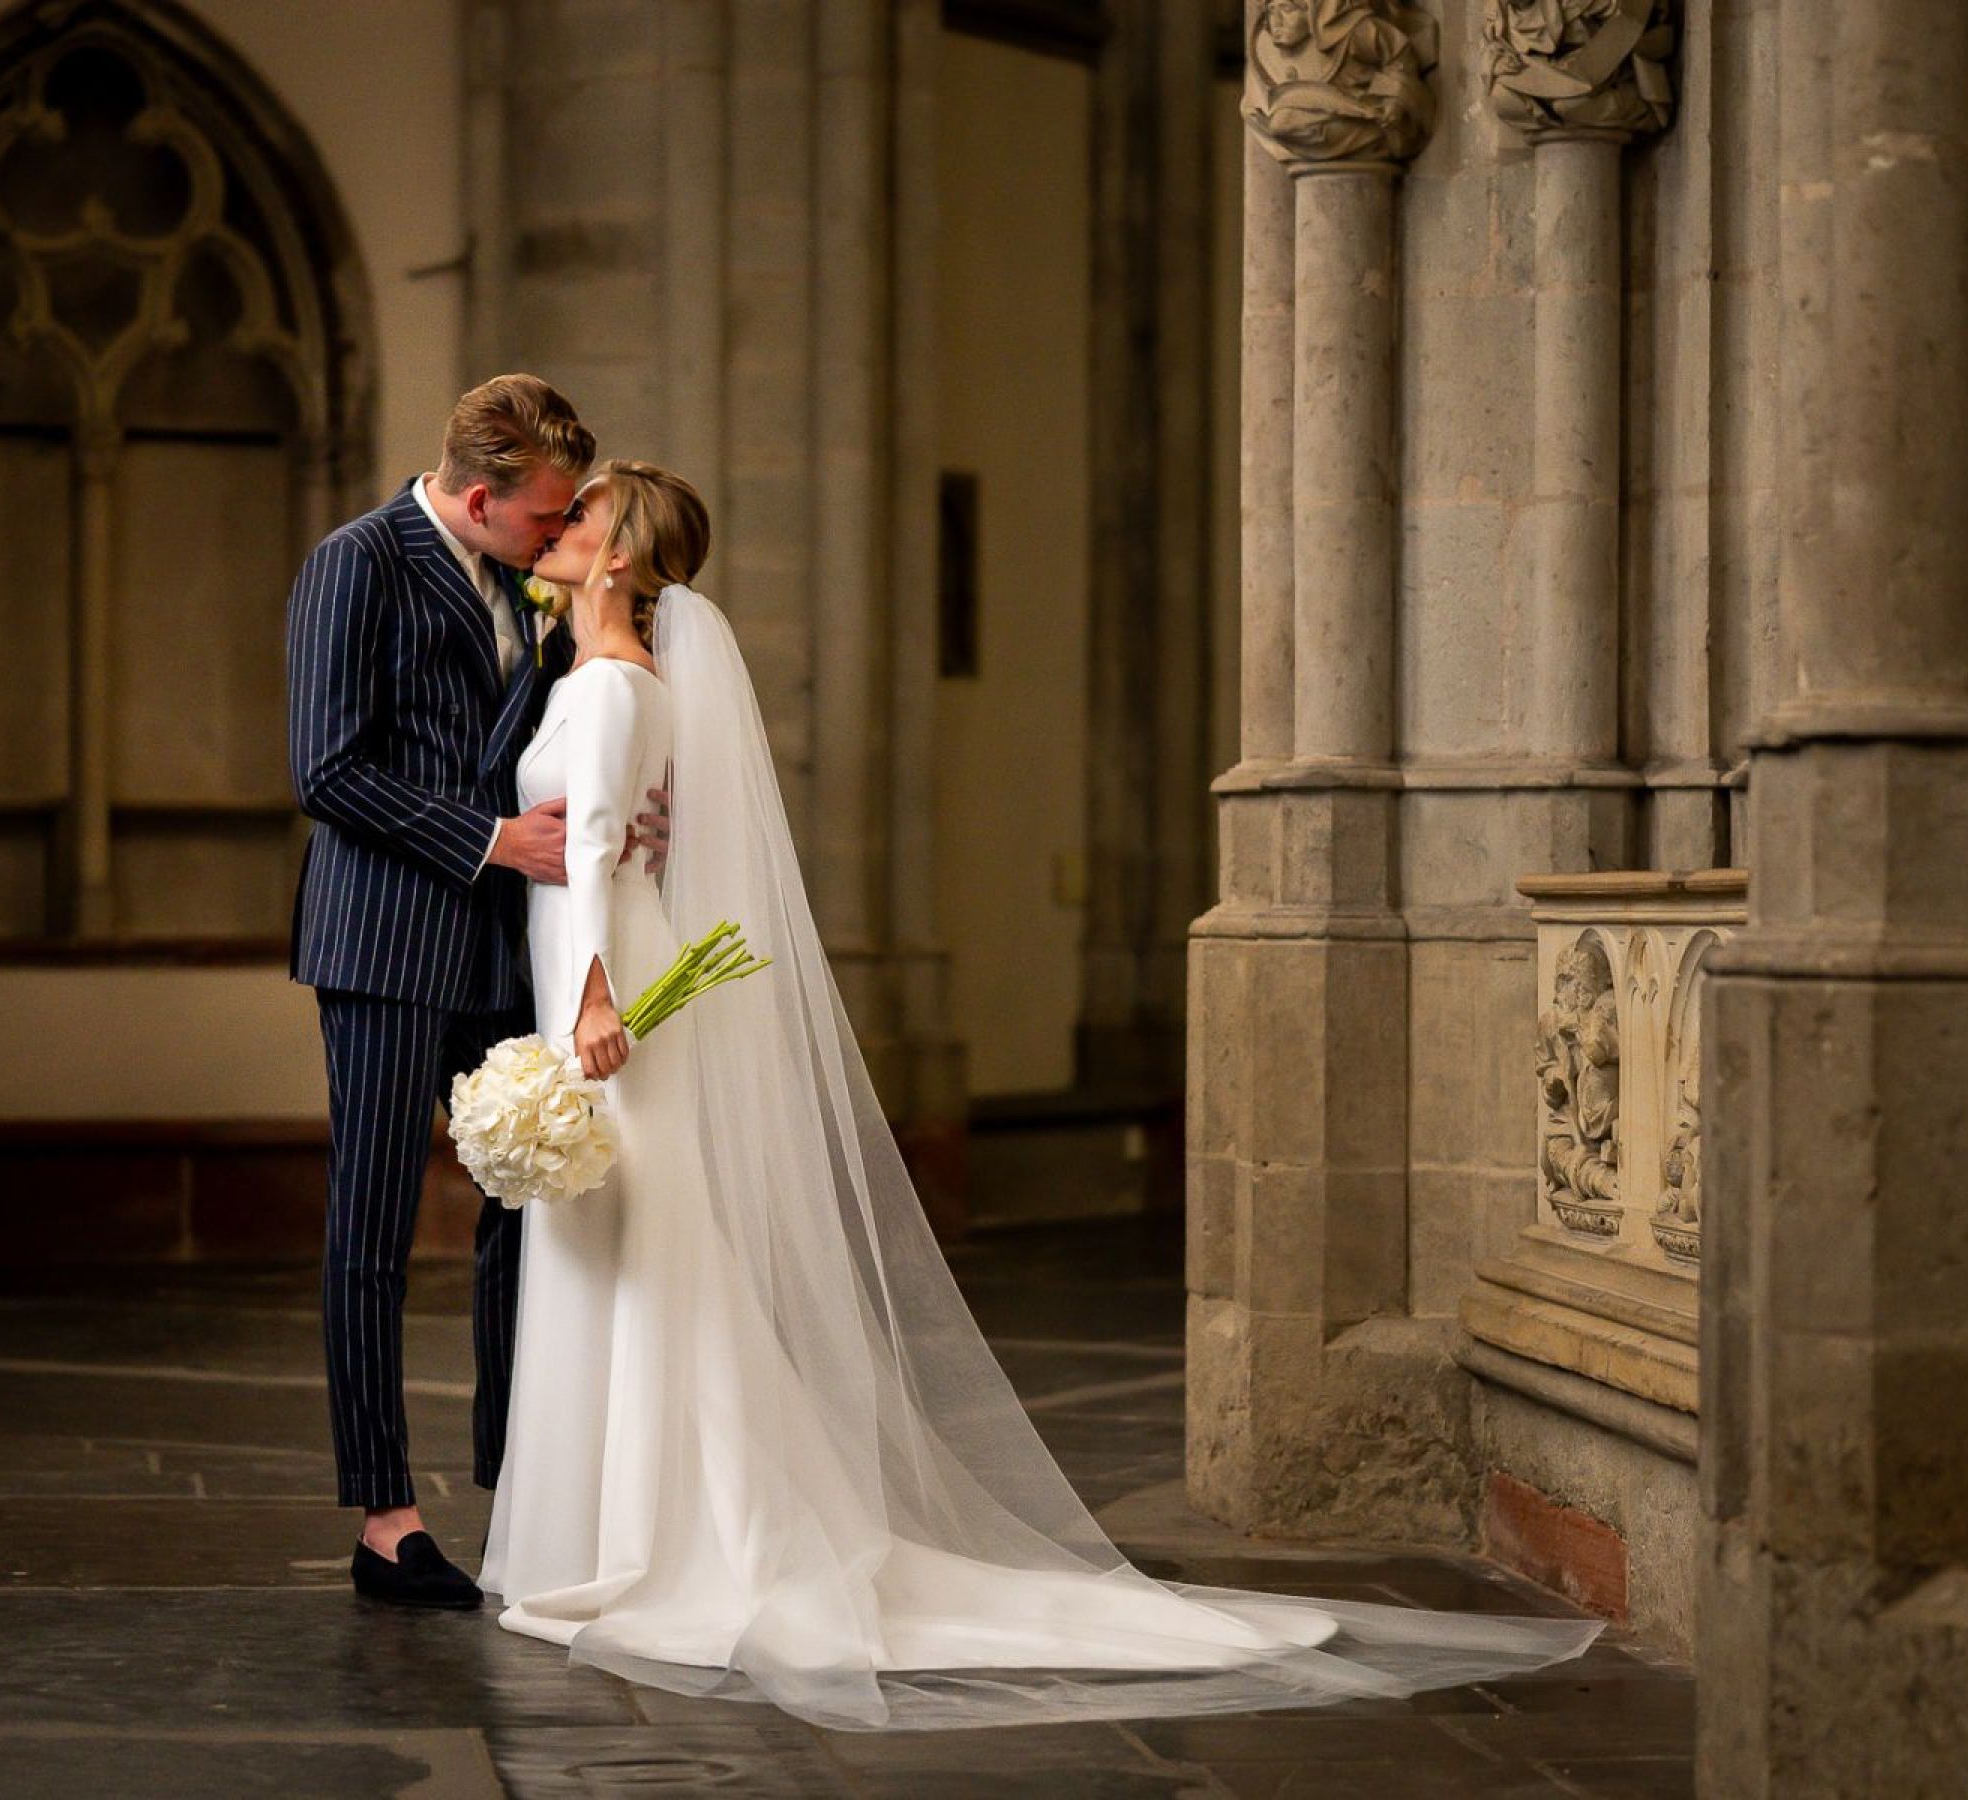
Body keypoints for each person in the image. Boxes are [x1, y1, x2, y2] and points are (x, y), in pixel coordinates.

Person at [477, 459, 1605, 1730]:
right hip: (596, 966)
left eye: (578, 515)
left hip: (603, 989)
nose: (554, 526)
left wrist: (588, 1000)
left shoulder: (622, 684)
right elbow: (605, 836)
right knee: (615, 1244)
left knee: (645, 1252)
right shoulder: (596, 676)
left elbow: (586, 843)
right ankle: (600, 1531)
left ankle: (665, 1537)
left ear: (619, 552)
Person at [284, 374, 661, 1609]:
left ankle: (519, 1494)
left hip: (504, 950)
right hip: (384, 944)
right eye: (544, 518)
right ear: (483, 497)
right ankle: (385, 1520)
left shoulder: (516, 578)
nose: (558, 540)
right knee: (375, 1231)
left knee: (525, 1216)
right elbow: (327, 770)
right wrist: (498, 843)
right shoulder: (356, 563)